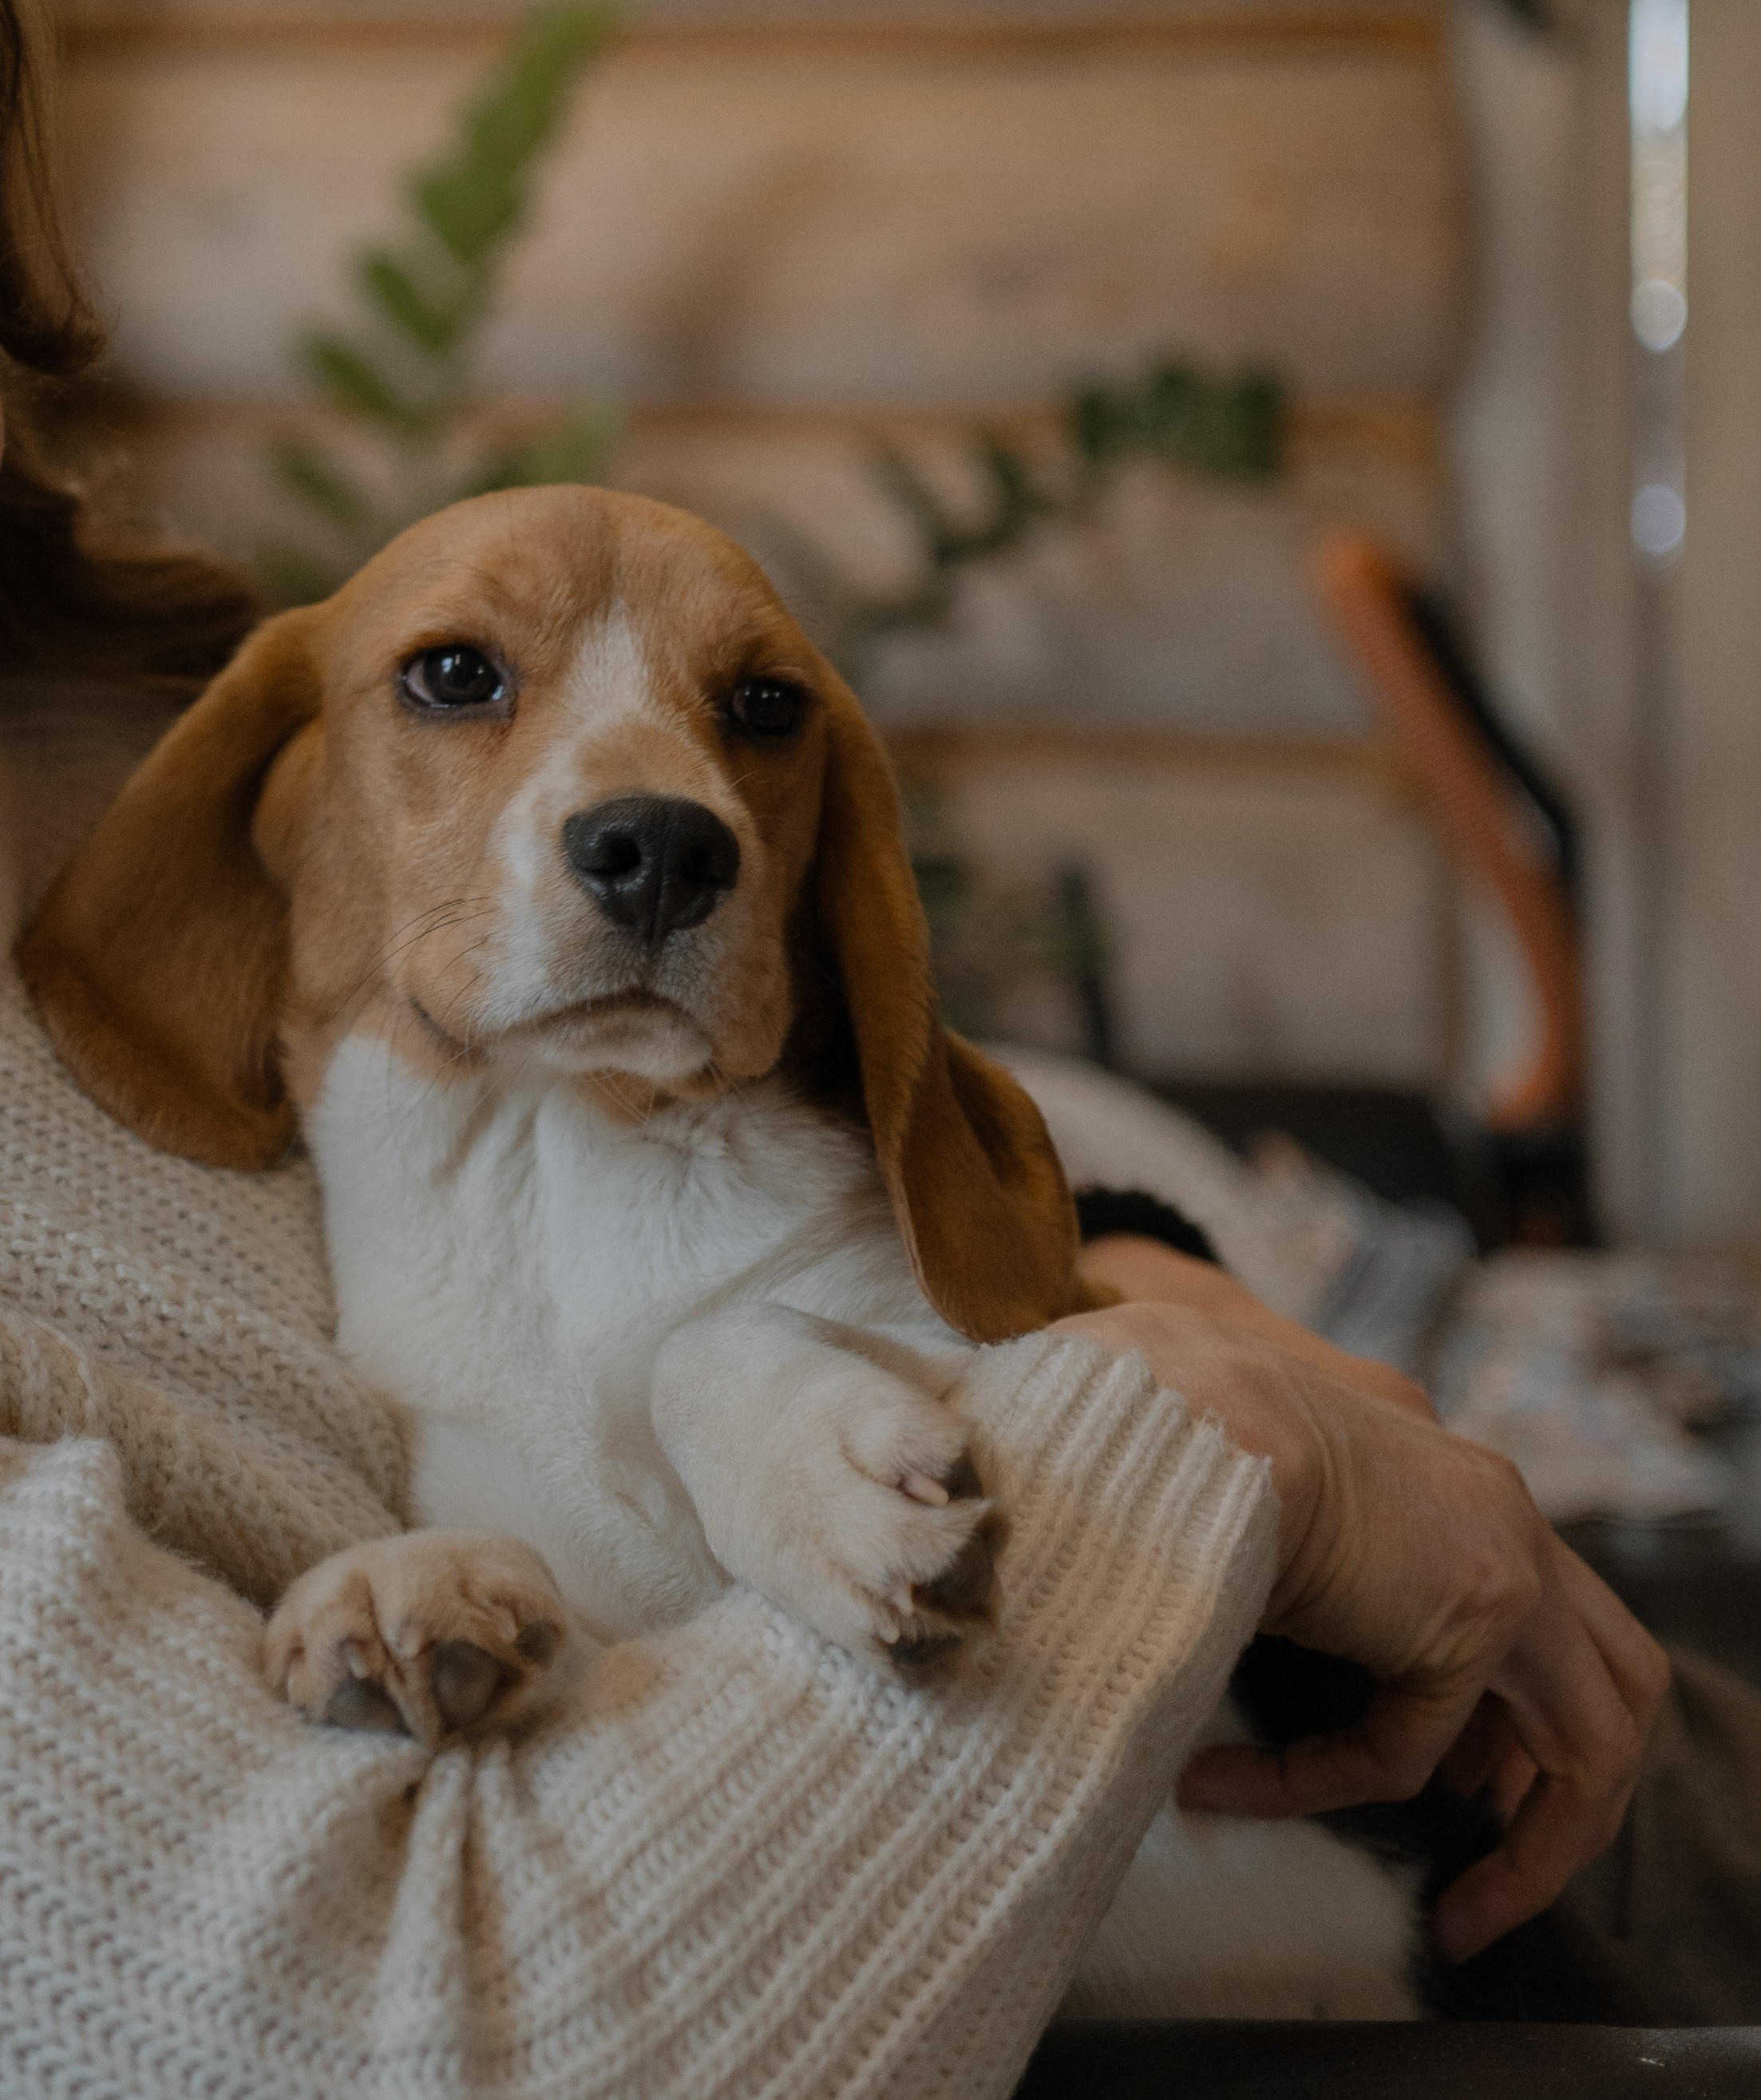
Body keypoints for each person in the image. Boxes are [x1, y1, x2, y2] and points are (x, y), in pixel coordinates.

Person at [0, 0, 1723, 2052]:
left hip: (1493, 1729)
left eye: (751, 719)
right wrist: (1226, 1459)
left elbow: (943, 1168)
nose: (662, 812)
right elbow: (399, 2019)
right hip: (1155, 1859)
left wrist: (1151, 1286)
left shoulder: (177, 686)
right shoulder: (255, 765)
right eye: (464, 683)